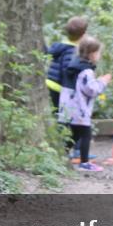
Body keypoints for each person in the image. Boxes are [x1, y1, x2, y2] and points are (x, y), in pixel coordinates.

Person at [57, 36, 111, 172]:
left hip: (68, 107)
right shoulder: (86, 71)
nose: (99, 56)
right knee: (86, 134)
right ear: (92, 54)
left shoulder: (74, 66)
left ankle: (61, 157)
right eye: (98, 53)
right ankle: (85, 162)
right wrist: (103, 81)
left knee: (74, 135)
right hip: (79, 109)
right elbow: (91, 90)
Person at [46, 17, 89, 156]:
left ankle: (67, 147)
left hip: (51, 84)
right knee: (68, 119)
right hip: (62, 89)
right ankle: (70, 149)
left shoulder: (59, 46)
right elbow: (68, 70)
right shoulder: (73, 51)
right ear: (83, 34)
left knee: (60, 117)